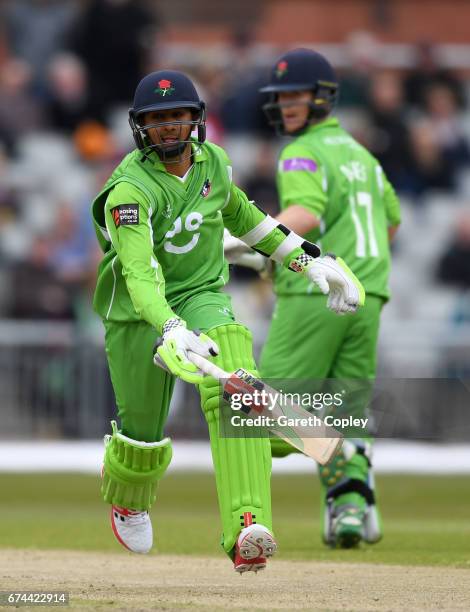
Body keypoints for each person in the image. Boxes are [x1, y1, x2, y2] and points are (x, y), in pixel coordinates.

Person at [90, 69, 365, 572]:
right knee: (142, 435)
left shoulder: (214, 162)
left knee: (236, 381)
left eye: (177, 117)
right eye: (157, 120)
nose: (169, 128)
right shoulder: (129, 191)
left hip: (200, 293)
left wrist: (309, 261)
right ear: (141, 127)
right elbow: (139, 273)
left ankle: (246, 526)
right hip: (137, 310)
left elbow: (247, 219)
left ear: (195, 120)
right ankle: (130, 498)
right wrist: (170, 329)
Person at [227, 49, 400, 549]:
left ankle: (339, 454)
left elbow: (305, 211)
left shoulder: (301, 152)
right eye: (279, 97)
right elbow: (390, 221)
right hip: (369, 293)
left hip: (314, 293)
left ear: (323, 96)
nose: (285, 106)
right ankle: (351, 510)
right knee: (344, 408)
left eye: (295, 96)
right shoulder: (362, 155)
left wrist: (240, 243)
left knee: (261, 415)